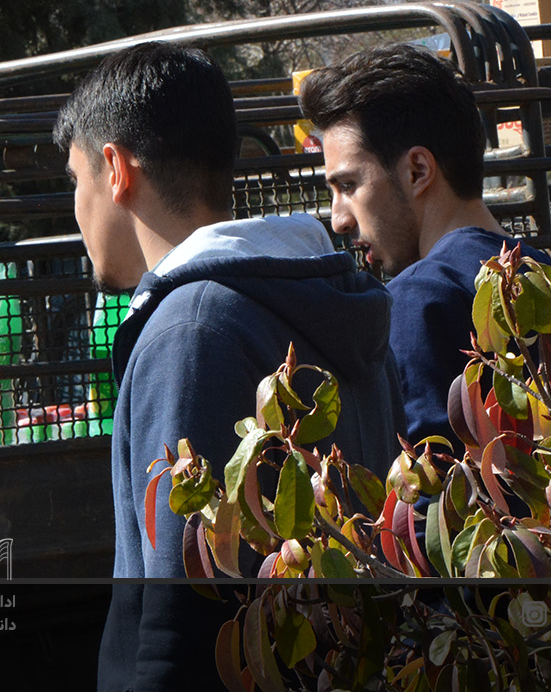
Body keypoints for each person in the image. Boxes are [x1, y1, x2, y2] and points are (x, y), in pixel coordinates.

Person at [53, 44, 399, 692]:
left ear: (116, 169)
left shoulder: (189, 331)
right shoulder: (329, 295)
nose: (76, 207)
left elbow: (181, 617)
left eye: (76, 180)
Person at [296, 43, 551, 453]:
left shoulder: (419, 301)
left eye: (348, 186)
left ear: (417, 170)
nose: (339, 220)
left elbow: (425, 485)